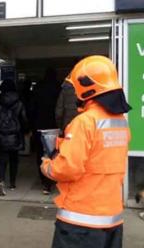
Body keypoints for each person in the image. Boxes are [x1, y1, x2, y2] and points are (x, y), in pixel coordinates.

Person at [40, 56, 131, 248]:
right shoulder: (121, 122)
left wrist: (47, 165)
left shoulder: (84, 122)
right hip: (112, 220)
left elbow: (67, 169)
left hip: (80, 223)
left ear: (86, 86)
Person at [0, 79, 27, 196]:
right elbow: (24, 119)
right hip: (15, 135)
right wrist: (26, 130)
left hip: (2, 134)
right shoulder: (19, 102)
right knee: (14, 160)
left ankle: (1, 181)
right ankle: (12, 183)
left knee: (2, 161)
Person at [32, 68, 60, 194]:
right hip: (54, 126)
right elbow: (60, 108)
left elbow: (32, 107)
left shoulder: (38, 88)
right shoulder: (59, 88)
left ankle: (45, 182)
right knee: (55, 153)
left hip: (39, 126)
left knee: (41, 154)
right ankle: (54, 179)